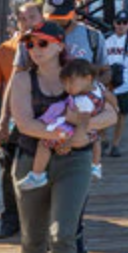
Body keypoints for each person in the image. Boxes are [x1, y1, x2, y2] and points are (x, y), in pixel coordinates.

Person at [6, 21, 115, 253]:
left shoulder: (80, 74)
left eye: (41, 43)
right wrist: (59, 135)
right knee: (32, 235)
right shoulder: (24, 78)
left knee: (64, 234)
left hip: (75, 161)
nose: (34, 49)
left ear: (58, 45)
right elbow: (24, 123)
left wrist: (79, 132)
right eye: (30, 44)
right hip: (32, 159)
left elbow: (110, 112)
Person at [0, 2, 44, 240]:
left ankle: (38, 219)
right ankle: (11, 219)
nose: (28, 23)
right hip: (16, 120)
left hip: (45, 119)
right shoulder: (6, 49)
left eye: (32, 17)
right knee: (8, 167)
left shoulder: (51, 45)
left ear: (42, 18)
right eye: (23, 19)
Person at [18, 57, 106, 189]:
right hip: (91, 132)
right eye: (64, 84)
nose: (67, 88)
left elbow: (82, 122)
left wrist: (70, 142)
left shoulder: (83, 100)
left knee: (44, 144)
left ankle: (37, 175)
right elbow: (109, 97)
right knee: (97, 139)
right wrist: (115, 107)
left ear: (87, 78)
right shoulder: (99, 87)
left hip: (73, 132)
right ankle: (96, 165)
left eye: (71, 83)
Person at [101, 15, 128, 157]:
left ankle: (115, 144)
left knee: (122, 114)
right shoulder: (105, 39)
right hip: (106, 83)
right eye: (118, 22)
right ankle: (104, 139)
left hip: (126, 83)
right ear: (114, 23)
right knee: (100, 111)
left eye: (125, 22)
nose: (121, 25)